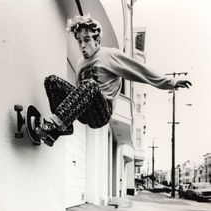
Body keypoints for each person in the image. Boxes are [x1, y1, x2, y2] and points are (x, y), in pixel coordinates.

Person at [39, 14, 192, 146]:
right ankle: (62, 127)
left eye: (87, 40)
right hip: (84, 111)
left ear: (97, 40)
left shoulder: (110, 55)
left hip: (101, 112)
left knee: (90, 85)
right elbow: (77, 91)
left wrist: (169, 82)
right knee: (52, 81)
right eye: (79, 41)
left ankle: (54, 124)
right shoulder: (80, 63)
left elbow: (139, 69)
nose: (83, 46)